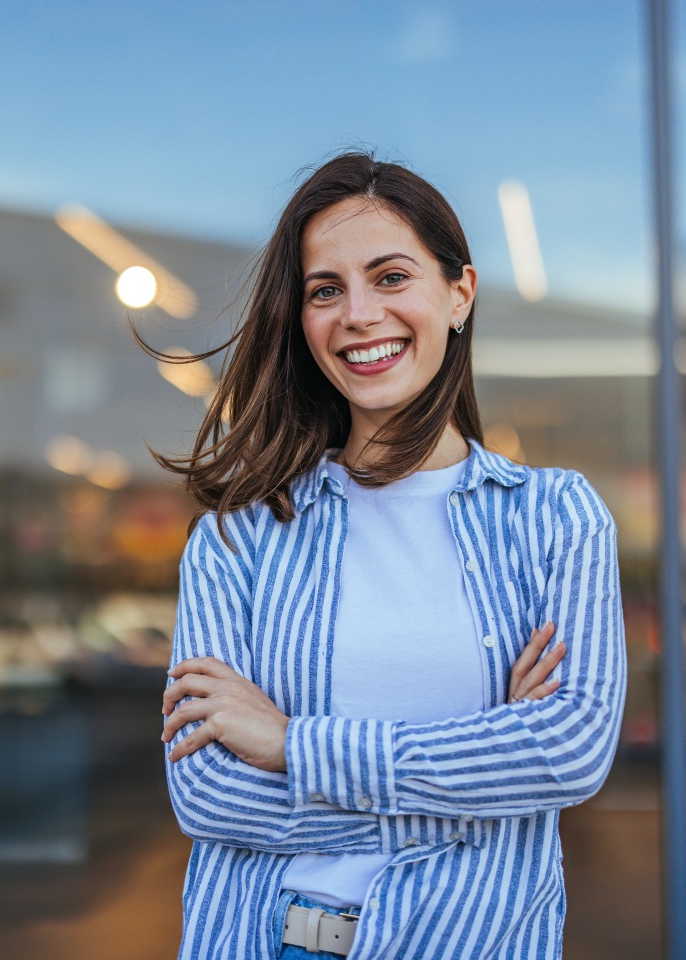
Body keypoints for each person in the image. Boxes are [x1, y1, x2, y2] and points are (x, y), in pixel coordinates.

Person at [153, 153, 626, 960]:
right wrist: (485, 771)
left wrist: (292, 745)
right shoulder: (240, 538)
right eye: (325, 290)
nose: (359, 314)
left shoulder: (555, 518)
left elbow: (568, 750)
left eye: (391, 276)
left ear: (460, 294)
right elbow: (207, 795)